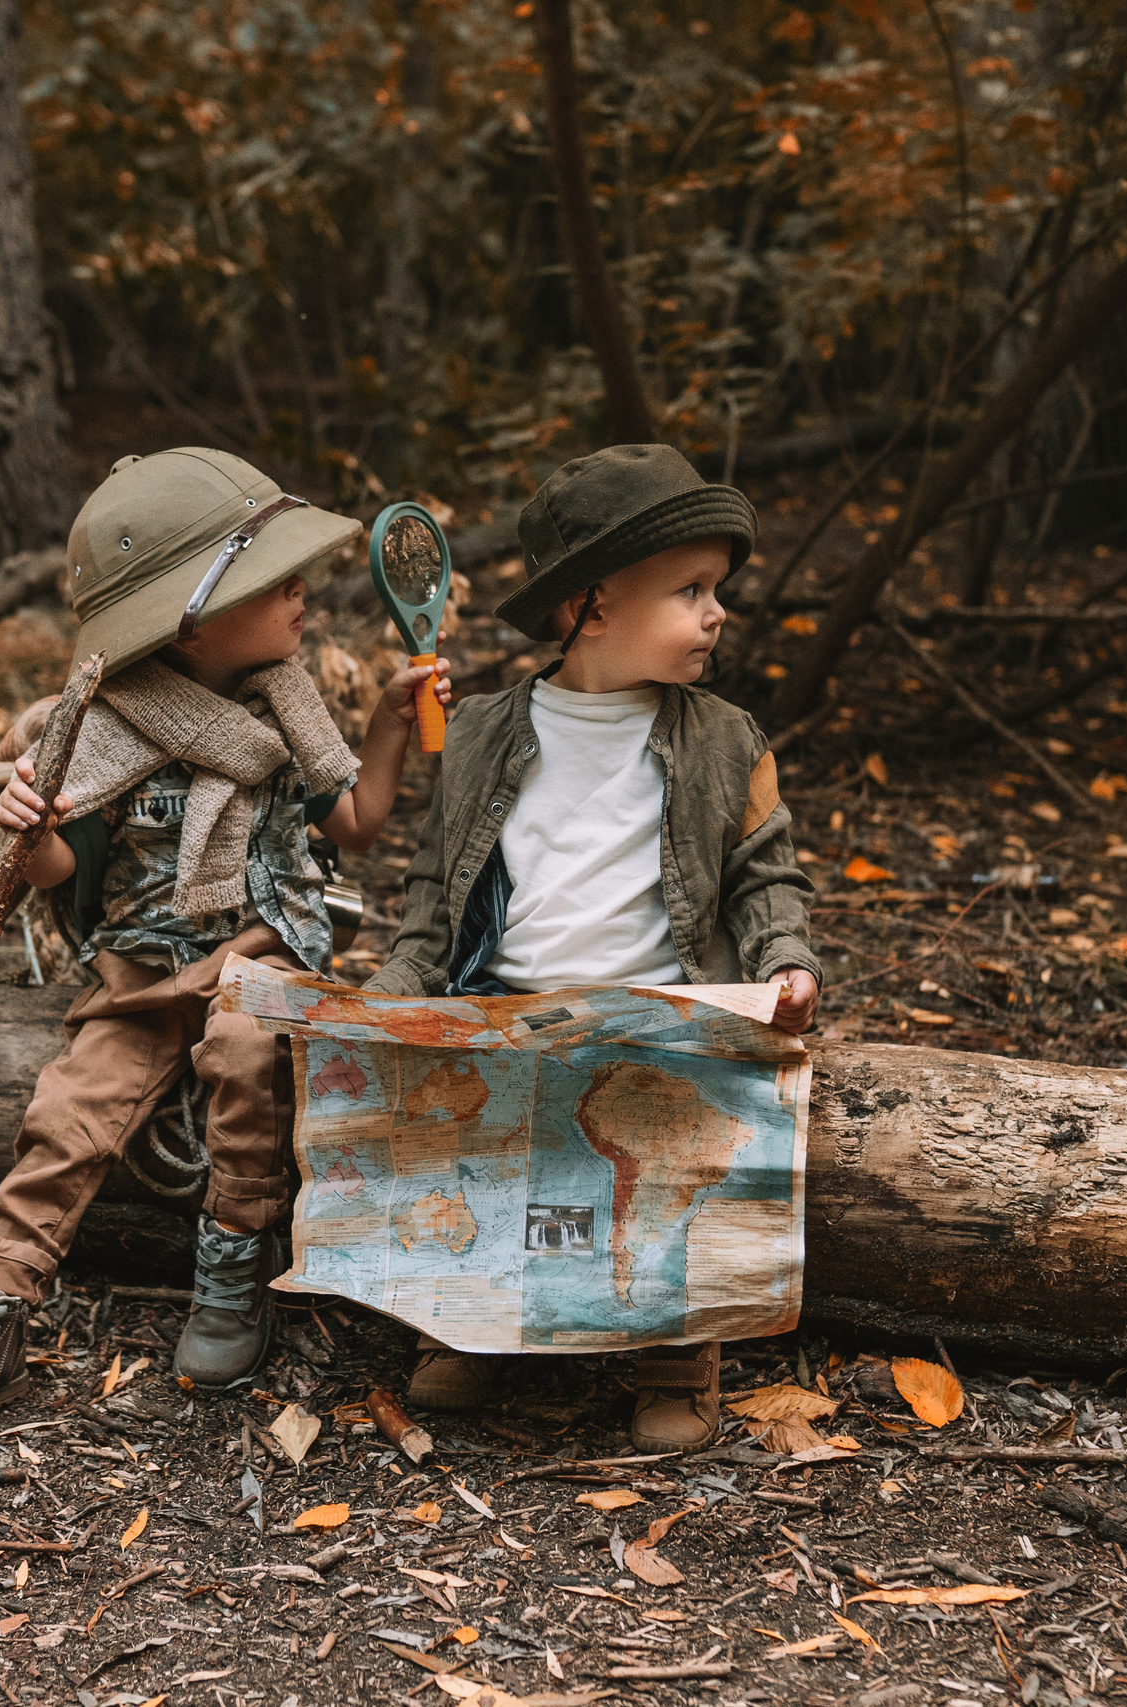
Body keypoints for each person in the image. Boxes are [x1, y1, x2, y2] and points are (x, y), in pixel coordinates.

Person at [0, 448, 449, 1427]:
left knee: (244, 1051)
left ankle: (232, 1267)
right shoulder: (100, 724)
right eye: (271, 577)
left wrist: (392, 723)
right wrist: (31, 822)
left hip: (264, 952)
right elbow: (54, 876)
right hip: (141, 971)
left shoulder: (287, 698)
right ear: (188, 622)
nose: (300, 590)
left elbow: (351, 824)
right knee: (73, 1106)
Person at [365, 442, 820, 1452]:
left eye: (717, 590)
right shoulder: (483, 732)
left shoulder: (726, 741)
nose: (716, 613)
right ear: (590, 605)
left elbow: (764, 872)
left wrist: (784, 961)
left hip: (660, 1010)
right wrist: (394, 986)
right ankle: (477, 1319)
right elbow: (437, 893)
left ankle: (672, 1348)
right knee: (479, 1156)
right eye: (689, 590)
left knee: (663, 1168)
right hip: (512, 1004)